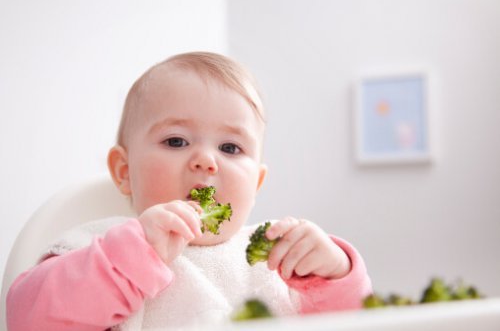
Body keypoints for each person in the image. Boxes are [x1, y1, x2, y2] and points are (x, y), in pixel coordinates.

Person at [7, 52, 372, 330]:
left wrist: (333, 275)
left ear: (256, 184)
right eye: (176, 140)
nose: (206, 161)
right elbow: (26, 318)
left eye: (230, 148)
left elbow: (359, 323)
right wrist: (129, 257)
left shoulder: (277, 260)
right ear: (124, 172)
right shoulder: (102, 247)